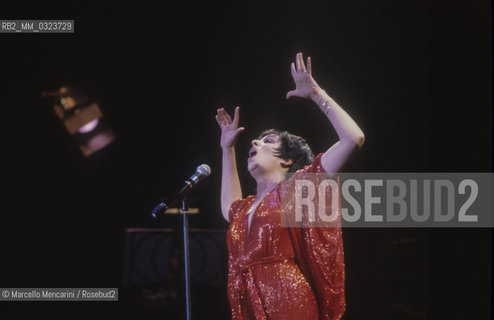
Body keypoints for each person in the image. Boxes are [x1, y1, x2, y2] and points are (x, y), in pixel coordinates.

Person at [215, 52, 365, 320]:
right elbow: (228, 208)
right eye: (256, 141)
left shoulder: (300, 189)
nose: (255, 143)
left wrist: (318, 94)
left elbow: (353, 139)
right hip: (247, 301)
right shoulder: (245, 208)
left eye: (267, 141)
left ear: (286, 161)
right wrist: (227, 150)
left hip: (288, 300)